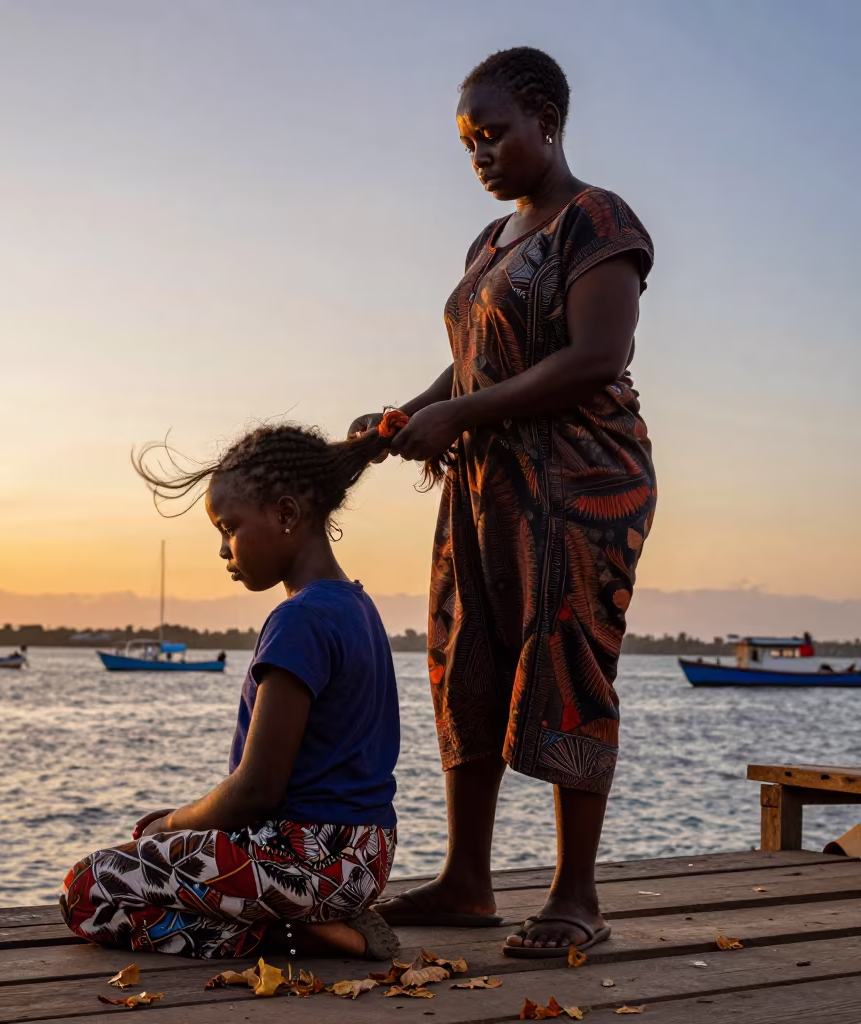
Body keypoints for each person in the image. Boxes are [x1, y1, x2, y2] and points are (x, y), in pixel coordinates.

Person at [349, 47, 656, 958]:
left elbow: (597, 357)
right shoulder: (488, 246)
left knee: (567, 661)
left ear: (547, 121)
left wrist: (458, 414)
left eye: (493, 135)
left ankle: (577, 897)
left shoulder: (598, 220)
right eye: (467, 143)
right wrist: (411, 413)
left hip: (581, 483)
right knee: (464, 656)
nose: (478, 155)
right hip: (484, 485)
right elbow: (480, 360)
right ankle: (468, 881)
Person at [60, 413, 409, 960]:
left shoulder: (300, 620)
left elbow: (256, 791)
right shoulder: (359, 607)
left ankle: (296, 934)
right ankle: (317, 922)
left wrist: (167, 825)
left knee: (88, 889)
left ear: (286, 514)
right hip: (368, 859)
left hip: (305, 860)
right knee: (162, 866)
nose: (224, 550)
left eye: (229, 527)